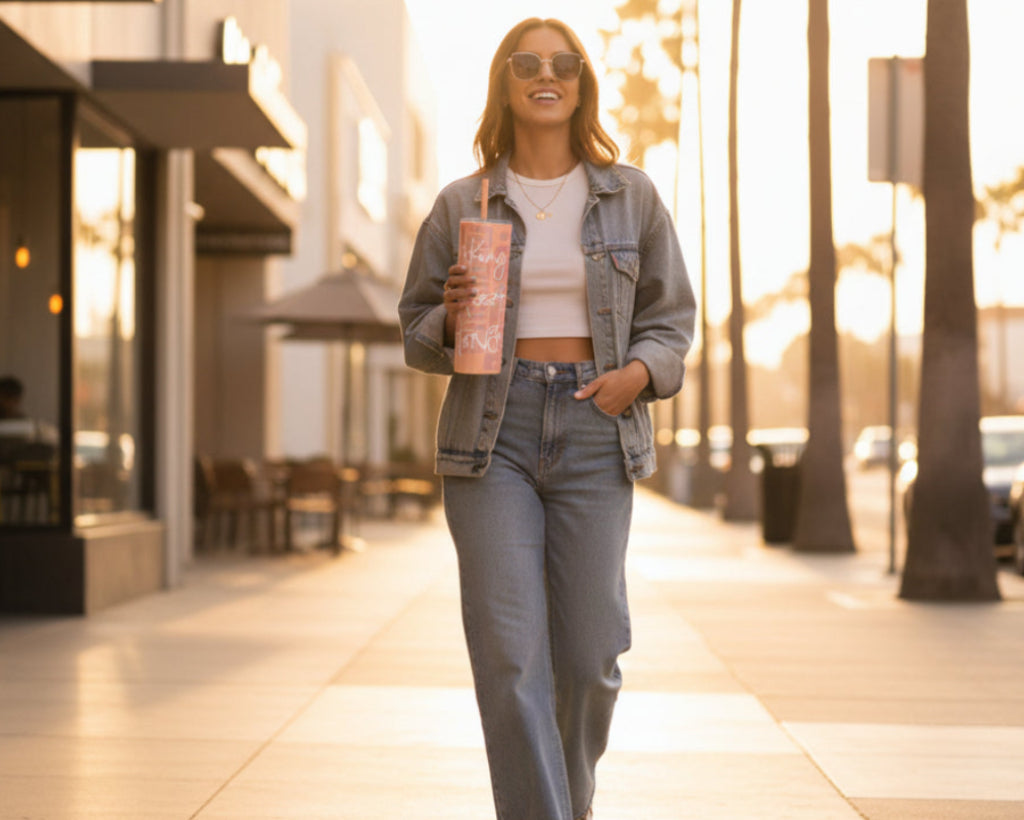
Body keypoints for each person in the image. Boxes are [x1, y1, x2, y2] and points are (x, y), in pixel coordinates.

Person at [399, 17, 695, 820]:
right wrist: (453, 319)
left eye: (563, 63)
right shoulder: (464, 201)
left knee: (594, 655)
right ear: (504, 80)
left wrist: (635, 375)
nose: (546, 73)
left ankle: (566, 804)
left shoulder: (630, 195)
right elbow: (416, 331)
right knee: (509, 656)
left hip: (599, 427)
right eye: (527, 62)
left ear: (580, 82)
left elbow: (672, 320)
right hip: (492, 437)